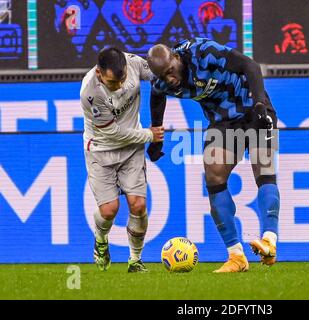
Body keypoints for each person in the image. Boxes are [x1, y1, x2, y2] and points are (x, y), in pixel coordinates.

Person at [146, 38, 280, 273]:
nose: (170, 79)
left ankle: (269, 241)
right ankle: (236, 256)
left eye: (170, 71)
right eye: (163, 76)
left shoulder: (204, 52)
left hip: (253, 107)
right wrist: (157, 136)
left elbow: (250, 66)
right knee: (214, 178)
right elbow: (156, 96)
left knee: (264, 170)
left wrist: (260, 105)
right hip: (223, 120)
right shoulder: (162, 81)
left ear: (176, 58)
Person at [80, 47, 164, 272]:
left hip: (131, 149)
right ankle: (100, 239)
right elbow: (113, 133)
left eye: (122, 80)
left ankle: (135, 260)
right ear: (99, 74)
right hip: (101, 149)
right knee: (109, 210)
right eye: (111, 82)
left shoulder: (134, 63)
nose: (118, 86)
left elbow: (159, 74)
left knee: (138, 205)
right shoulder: (90, 93)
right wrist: (149, 135)